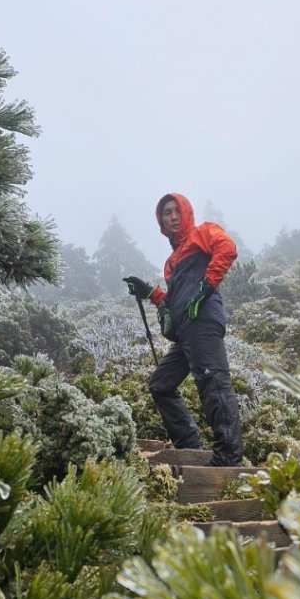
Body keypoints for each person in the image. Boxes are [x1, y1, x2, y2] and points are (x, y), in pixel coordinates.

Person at [124, 192, 243, 466]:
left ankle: (229, 460)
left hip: (203, 321)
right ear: (161, 221)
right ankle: (190, 445)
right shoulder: (171, 262)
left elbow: (227, 246)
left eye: (177, 211)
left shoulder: (203, 233)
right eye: (167, 213)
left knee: (213, 382)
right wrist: (148, 291)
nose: (173, 217)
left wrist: (206, 286)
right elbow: (175, 301)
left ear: (186, 212)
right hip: (186, 331)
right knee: (160, 385)